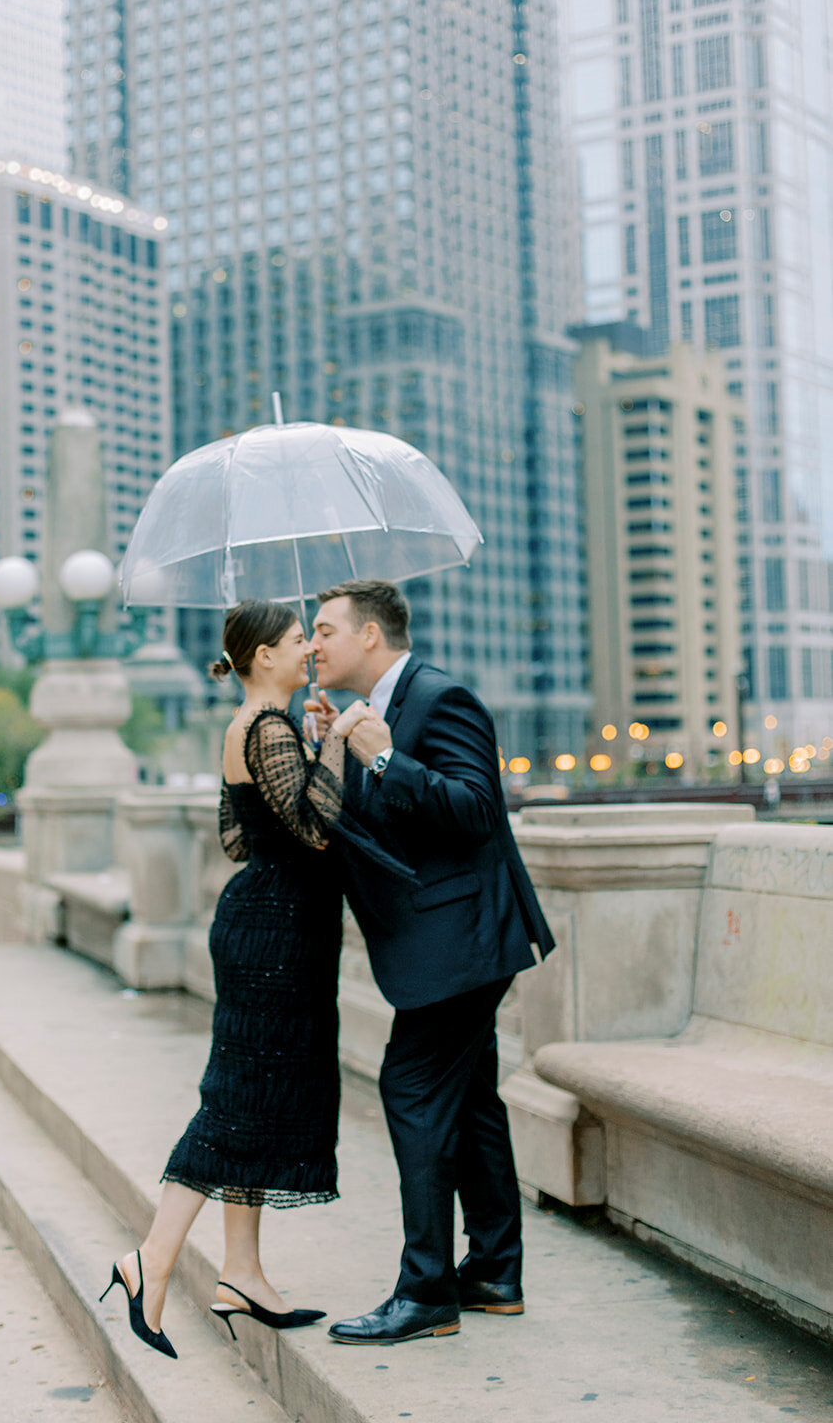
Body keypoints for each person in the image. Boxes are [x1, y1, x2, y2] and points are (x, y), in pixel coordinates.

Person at [100, 599, 372, 1359]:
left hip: (265, 925)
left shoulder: (245, 729)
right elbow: (315, 827)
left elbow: (235, 836)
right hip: (277, 937)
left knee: (253, 1100)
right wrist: (339, 739)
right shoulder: (267, 726)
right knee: (235, 1104)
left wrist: (311, 744)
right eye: (295, 641)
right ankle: (148, 1260)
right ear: (260, 657)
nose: (307, 652)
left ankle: (243, 1272)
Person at [306, 579, 556, 1347]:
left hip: (465, 940)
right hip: (434, 940)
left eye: (323, 630)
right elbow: (370, 829)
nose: (311, 645)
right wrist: (334, 750)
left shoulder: (439, 698)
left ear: (371, 635)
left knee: (410, 1088)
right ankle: (491, 1272)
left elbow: (479, 809)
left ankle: (425, 1292)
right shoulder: (358, 715)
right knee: (471, 1098)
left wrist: (383, 758)